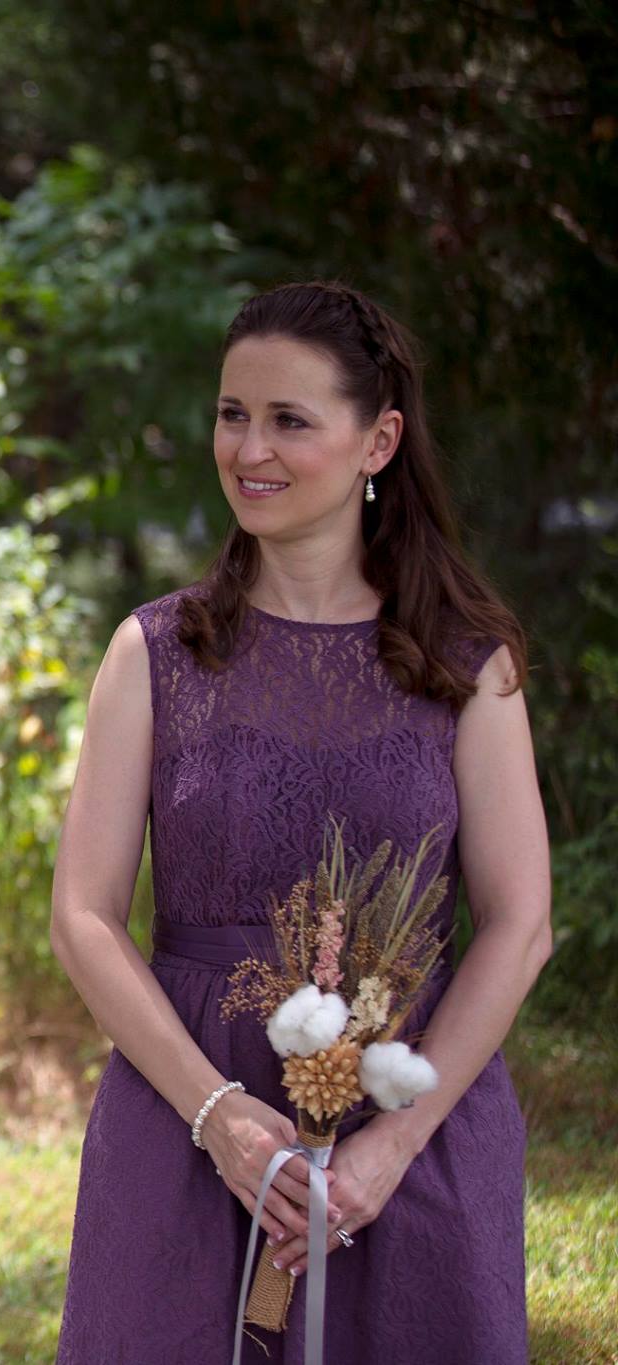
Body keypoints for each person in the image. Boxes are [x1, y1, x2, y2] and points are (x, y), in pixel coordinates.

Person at [51, 281, 549, 1362]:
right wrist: (219, 1116)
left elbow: (519, 925)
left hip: (410, 1119)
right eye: (232, 414)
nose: (249, 449)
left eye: (288, 420)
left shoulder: (466, 664)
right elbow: (83, 916)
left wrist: (392, 1145)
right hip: (184, 1111)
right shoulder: (155, 653)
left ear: (378, 442)